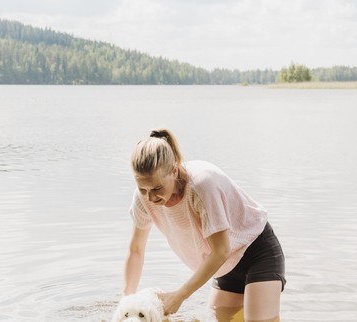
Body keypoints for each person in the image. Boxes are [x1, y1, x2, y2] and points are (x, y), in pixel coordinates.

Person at [122, 128, 286, 322]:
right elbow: (136, 250)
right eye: (143, 189)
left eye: (157, 188)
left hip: (256, 254)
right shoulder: (143, 199)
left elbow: (221, 250)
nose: (150, 197)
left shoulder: (201, 184)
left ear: (174, 170)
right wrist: (126, 303)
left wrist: (179, 296)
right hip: (223, 267)